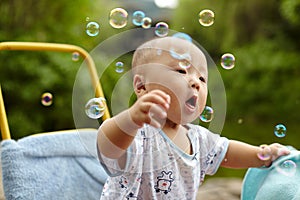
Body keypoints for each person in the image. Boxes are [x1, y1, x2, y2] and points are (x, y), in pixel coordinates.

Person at [97, 36, 290, 199]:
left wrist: (262, 155)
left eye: (202, 79)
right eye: (181, 71)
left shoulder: (199, 138)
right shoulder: (139, 133)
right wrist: (131, 118)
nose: (195, 83)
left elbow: (227, 152)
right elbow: (109, 145)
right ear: (141, 86)